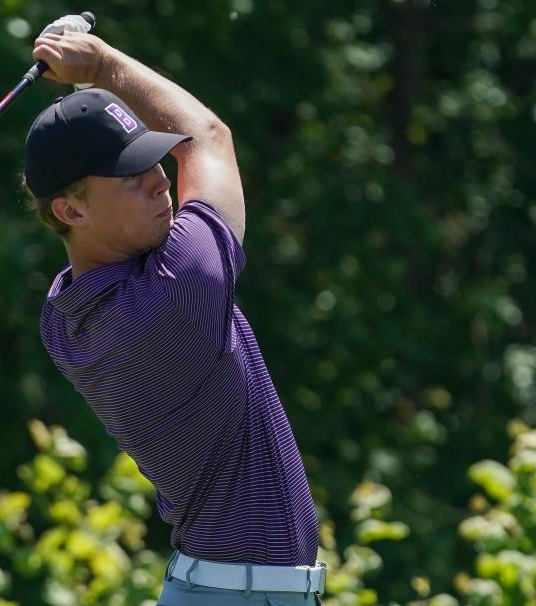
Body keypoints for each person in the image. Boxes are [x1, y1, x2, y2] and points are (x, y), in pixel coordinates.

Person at [23, 16, 325, 605]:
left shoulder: (65, 313)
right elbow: (207, 137)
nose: (161, 183)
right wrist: (101, 62)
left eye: (155, 162)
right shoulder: (176, 289)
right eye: (131, 177)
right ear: (71, 211)